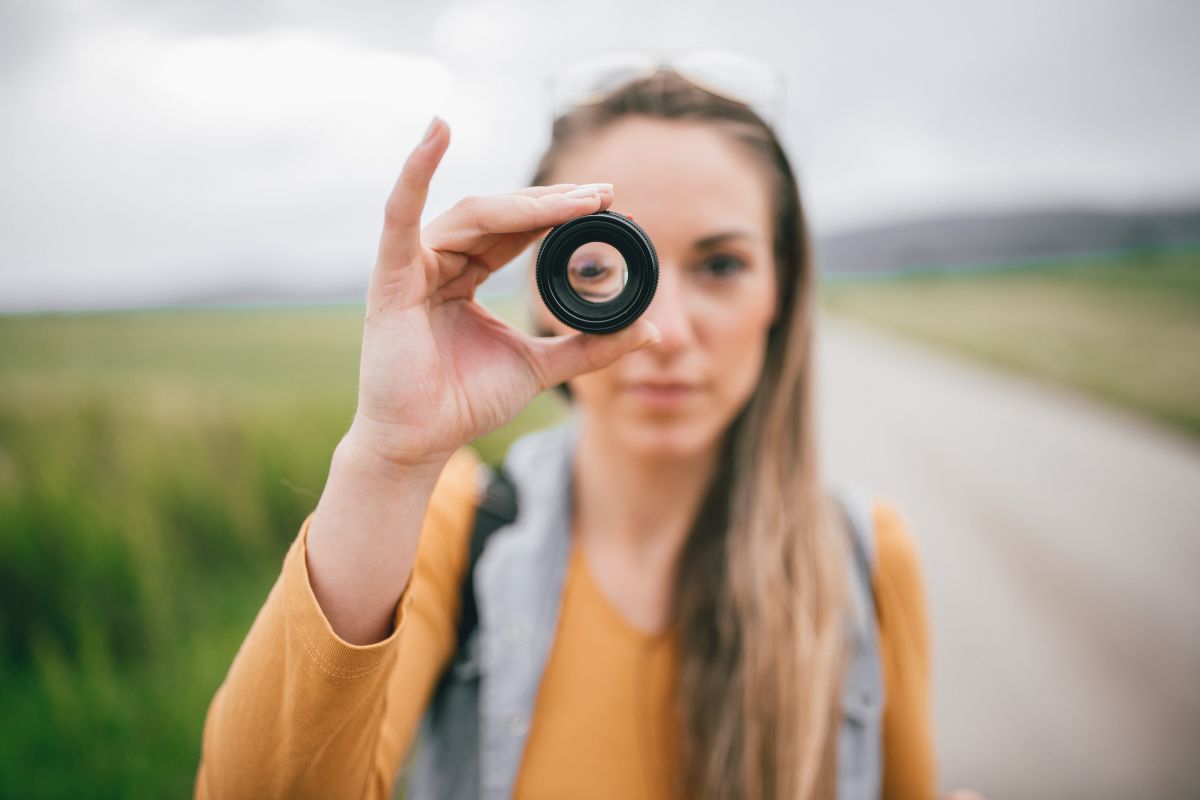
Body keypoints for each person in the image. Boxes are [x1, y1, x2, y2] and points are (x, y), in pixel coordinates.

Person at [194, 67, 936, 799]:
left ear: (782, 289)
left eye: (720, 264)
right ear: (546, 296)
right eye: (596, 267)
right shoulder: (454, 531)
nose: (666, 331)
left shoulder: (863, 559)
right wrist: (389, 456)